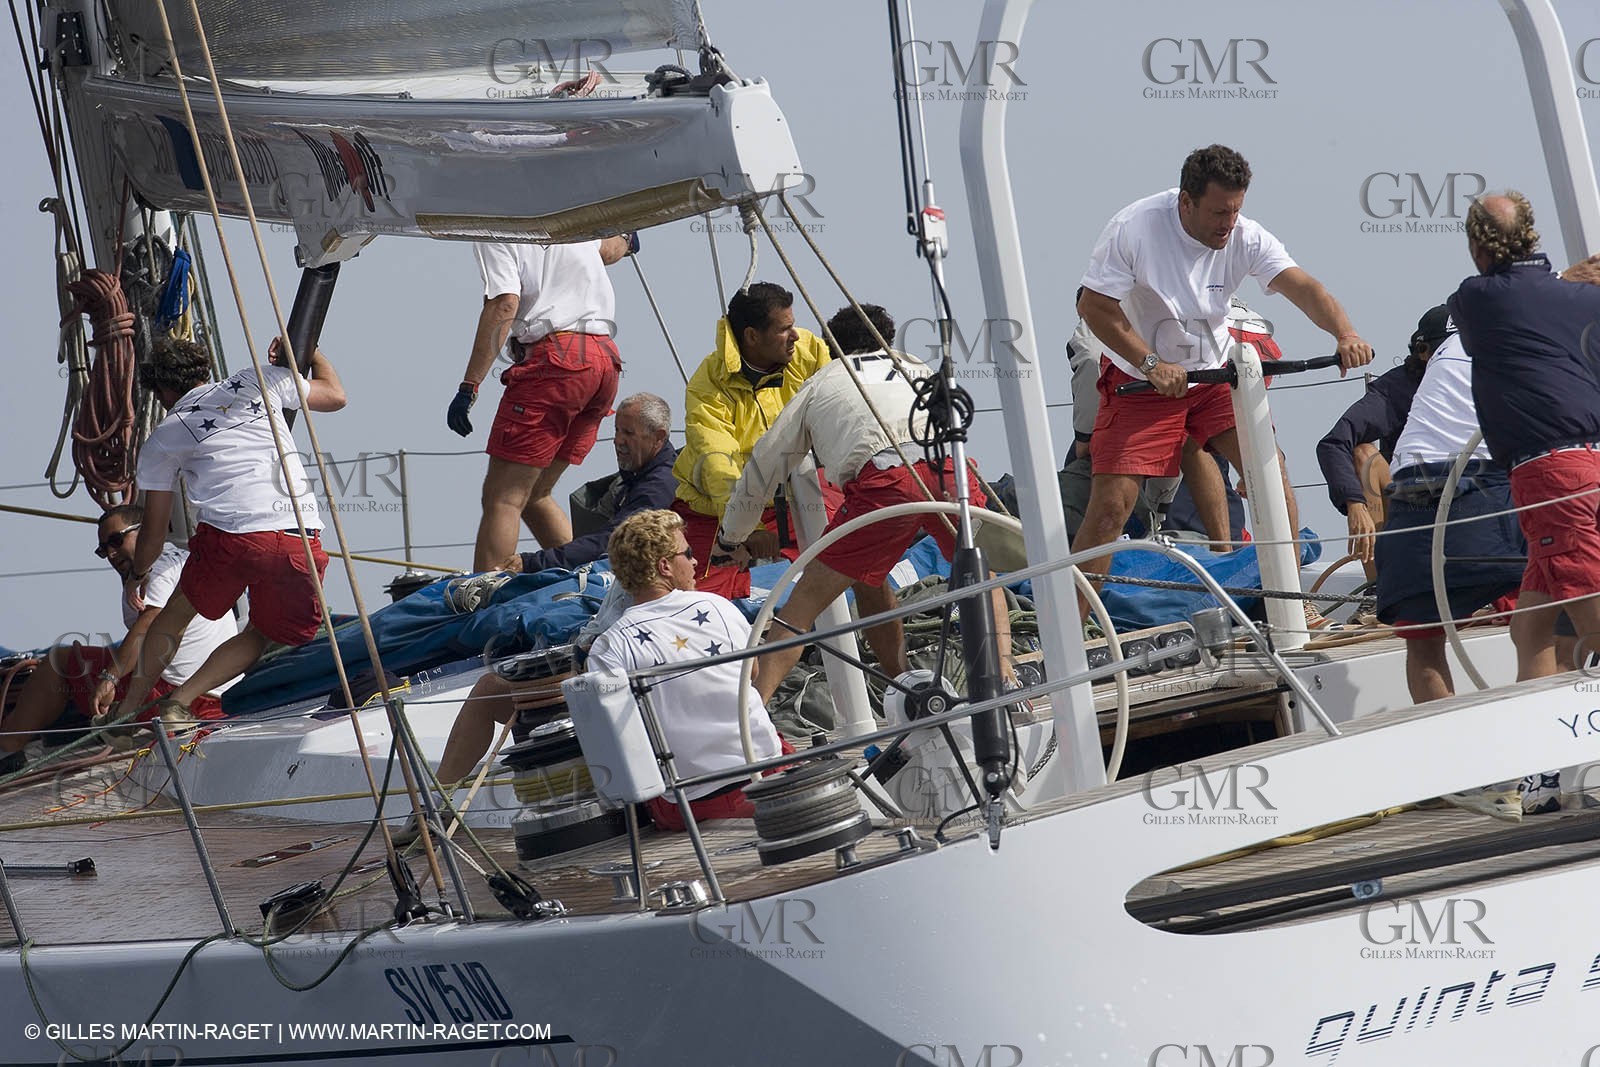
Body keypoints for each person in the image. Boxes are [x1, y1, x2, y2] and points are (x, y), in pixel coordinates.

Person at [1073, 144, 1375, 625]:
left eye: (1235, 211)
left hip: (1213, 377)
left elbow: (1305, 288)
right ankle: (1072, 628)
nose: (1227, 223)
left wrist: (1345, 333)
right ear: (1186, 203)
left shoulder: (1244, 234)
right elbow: (1093, 307)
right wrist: (1150, 362)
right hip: (1142, 382)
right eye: (1218, 212)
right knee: (1111, 508)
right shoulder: (1134, 228)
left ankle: (1291, 606)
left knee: (1270, 474)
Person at [714, 303, 1016, 703]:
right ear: (884, 340)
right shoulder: (915, 367)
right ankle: (1002, 678)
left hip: (884, 483)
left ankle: (754, 715)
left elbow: (762, 470)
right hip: (950, 472)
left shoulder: (822, 384)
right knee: (979, 574)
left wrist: (730, 539)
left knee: (800, 609)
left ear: (832, 348)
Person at [106, 336, 346, 727]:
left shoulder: (163, 438)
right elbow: (335, 396)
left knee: (177, 612)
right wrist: (310, 352)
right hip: (295, 537)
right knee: (261, 632)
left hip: (231, 539)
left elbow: (152, 535)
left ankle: (128, 709)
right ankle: (180, 702)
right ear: (203, 370)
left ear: (163, 390)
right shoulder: (257, 381)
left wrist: (137, 576)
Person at [1450, 192, 1600, 813]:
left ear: (1479, 245)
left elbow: (1499, 304)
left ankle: (1580, 771)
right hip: (1587, 461)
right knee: (1531, 625)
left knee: (1593, 617)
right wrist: (1569, 284)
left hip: (1551, 473)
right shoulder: (1584, 295)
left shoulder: (1476, 298)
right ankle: (1540, 772)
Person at [586, 508, 787, 831]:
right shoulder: (717, 607)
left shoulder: (609, 646)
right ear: (664, 566)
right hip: (764, 775)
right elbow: (751, 675)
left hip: (685, 804)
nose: (695, 563)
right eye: (688, 554)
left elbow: (617, 737)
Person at [0, 505, 235, 770]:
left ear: (146, 532)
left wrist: (110, 677)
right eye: (103, 549)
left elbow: (147, 628)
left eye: (116, 540)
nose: (111, 553)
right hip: (218, 691)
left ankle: (8, 749)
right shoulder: (178, 559)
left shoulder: (156, 569)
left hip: (181, 696)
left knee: (60, 661)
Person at [450, 235, 634, 571]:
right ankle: (588, 583)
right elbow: (608, 248)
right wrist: (629, 237)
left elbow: (505, 303)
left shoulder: (494, 228)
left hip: (556, 363)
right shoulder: (561, 210)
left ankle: (481, 599)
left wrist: (469, 386)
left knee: (503, 498)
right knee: (535, 494)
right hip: (604, 360)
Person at [1369, 329, 1524, 704]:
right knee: (1550, 614)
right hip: (1482, 484)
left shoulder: (1453, 345)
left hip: (1409, 488)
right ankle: (1549, 734)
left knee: (1423, 645)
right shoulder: (1539, 332)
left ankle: (1452, 748)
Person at [673, 281, 839, 599]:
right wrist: (744, 530)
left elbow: (844, 404)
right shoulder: (707, 386)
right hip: (716, 508)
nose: (795, 336)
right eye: (784, 329)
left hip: (794, 498)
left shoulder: (810, 351)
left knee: (841, 557)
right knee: (702, 596)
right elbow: (717, 461)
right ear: (752, 336)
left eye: (794, 325)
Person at [1062, 294, 1274, 543]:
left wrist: (1085, 440)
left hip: (1206, 356)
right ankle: (1242, 548)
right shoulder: (1183, 287)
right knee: (1205, 446)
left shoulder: (1105, 310)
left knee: (1177, 441)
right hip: (1250, 350)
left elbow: (1089, 360)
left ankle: (1218, 543)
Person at [1316, 305, 1452, 572]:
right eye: (1447, 350)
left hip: (1477, 497)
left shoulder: (1491, 380)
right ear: (1423, 352)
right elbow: (1334, 443)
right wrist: (1354, 503)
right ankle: (1378, 592)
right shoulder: (1397, 390)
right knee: (1364, 454)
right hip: (1415, 504)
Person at [498, 393, 678, 575]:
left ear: (658, 437)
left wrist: (533, 563)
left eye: (628, 433)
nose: (617, 441)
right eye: (617, 431)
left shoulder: (659, 486)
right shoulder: (636, 478)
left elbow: (617, 540)